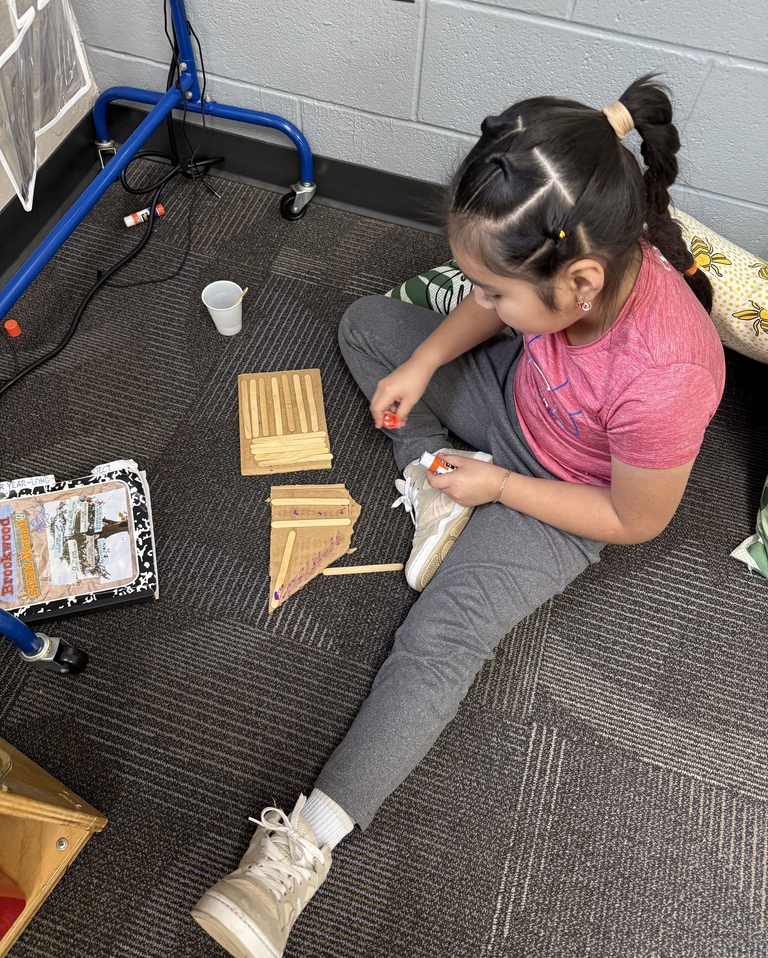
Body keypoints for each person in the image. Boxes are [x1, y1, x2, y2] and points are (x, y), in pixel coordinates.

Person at [191, 75, 725, 958]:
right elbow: (478, 310)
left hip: (563, 502)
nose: (482, 298)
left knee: (439, 639)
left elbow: (633, 521)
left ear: (581, 284)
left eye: (498, 289)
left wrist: (501, 490)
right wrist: (427, 364)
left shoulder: (670, 376)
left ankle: (302, 849)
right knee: (369, 326)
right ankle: (431, 484)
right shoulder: (566, 271)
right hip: (507, 410)